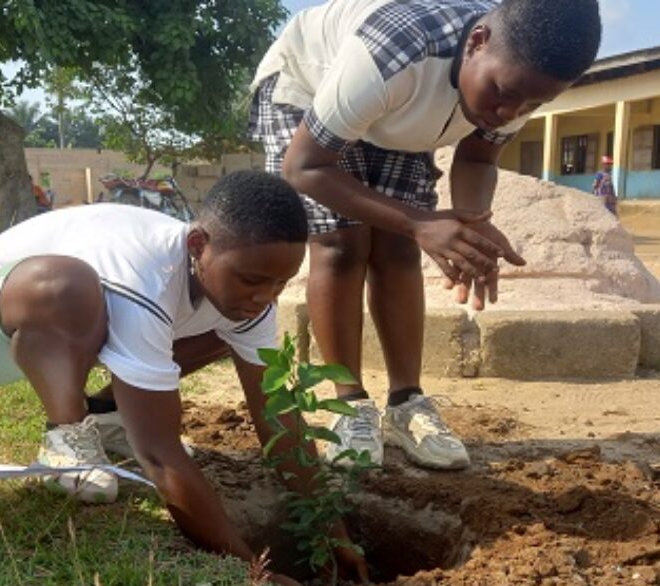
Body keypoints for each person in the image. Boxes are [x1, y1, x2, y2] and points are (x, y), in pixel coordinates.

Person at [0, 171, 368, 586]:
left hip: (64, 325)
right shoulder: (146, 272)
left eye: (280, 284)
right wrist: (250, 569)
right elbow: (160, 455)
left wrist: (332, 531)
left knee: (226, 332)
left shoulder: (244, 297)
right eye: (251, 280)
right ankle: (68, 435)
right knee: (67, 283)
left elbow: (279, 418)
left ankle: (109, 418)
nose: (264, 299)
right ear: (198, 246)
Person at [249, 0, 602, 471]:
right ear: (477, 42)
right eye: (504, 93)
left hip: (399, 119)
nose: (511, 111)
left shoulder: (519, 75)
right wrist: (421, 222)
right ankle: (348, 404)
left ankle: (405, 404)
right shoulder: (396, 51)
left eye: (533, 104)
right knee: (341, 243)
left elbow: (477, 159)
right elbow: (305, 167)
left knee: (397, 248)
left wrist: (470, 225)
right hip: (306, 91)